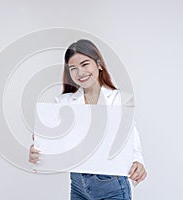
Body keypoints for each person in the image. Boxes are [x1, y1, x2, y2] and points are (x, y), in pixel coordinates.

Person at [29, 39, 147, 200]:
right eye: (73, 68)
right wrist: (40, 152)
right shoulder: (63, 103)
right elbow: (56, 143)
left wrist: (138, 162)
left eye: (85, 64)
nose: (80, 72)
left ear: (99, 65)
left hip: (112, 185)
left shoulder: (119, 99)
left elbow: (131, 138)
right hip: (78, 185)